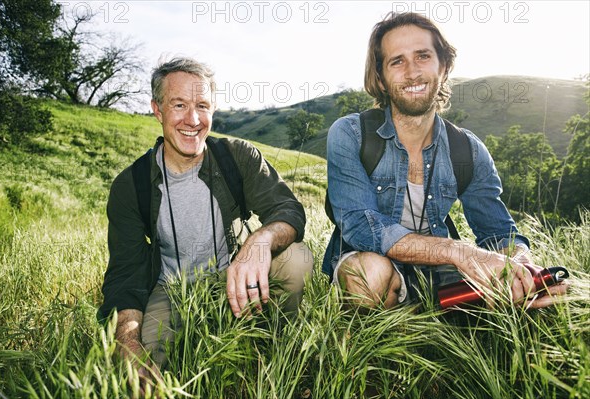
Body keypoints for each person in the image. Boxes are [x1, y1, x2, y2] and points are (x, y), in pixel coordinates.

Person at [323, 12, 568, 311]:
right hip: (373, 263)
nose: (412, 72)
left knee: (545, 296)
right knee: (369, 274)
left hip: (442, 273)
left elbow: (498, 232)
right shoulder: (349, 134)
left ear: (444, 65)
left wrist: (521, 262)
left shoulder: (468, 150)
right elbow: (362, 227)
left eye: (423, 56)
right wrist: (461, 253)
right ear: (382, 79)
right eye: (396, 61)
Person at [98, 57, 313, 389]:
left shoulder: (236, 156)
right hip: (172, 291)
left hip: (237, 278)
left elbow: (288, 210)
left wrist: (260, 240)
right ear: (157, 110)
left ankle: (280, 355)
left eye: (202, 105)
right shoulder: (130, 186)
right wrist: (128, 343)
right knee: (143, 375)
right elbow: (125, 274)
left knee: (295, 259)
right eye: (179, 105)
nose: (193, 119)